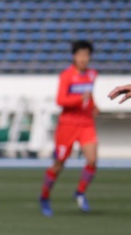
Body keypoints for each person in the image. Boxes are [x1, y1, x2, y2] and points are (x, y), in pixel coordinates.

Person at [39, 40, 98, 217]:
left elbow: (89, 95)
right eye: (80, 55)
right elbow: (60, 100)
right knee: (59, 164)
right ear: (74, 56)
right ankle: (44, 196)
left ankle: (80, 192)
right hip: (68, 125)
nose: (83, 58)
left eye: (86, 55)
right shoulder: (66, 75)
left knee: (92, 160)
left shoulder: (92, 74)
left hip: (86, 123)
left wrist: (94, 106)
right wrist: (79, 99)